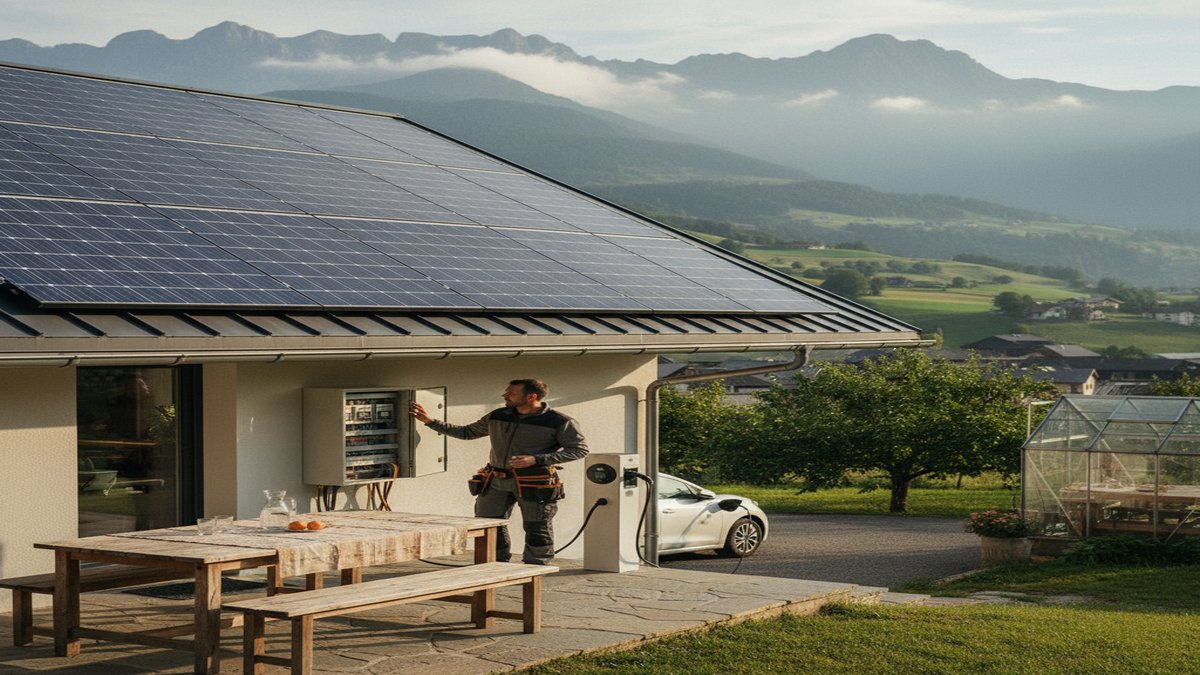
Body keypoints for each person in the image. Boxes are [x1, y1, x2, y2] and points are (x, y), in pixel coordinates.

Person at [409, 379, 588, 564]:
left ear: (531, 396)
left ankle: (535, 570)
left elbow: (579, 450)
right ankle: (494, 564)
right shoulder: (498, 416)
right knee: (488, 525)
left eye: (511, 393)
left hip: (535, 482)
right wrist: (429, 421)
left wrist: (537, 459)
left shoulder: (560, 422)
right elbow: (467, 432)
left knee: (537, 527)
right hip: (495, 480)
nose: (505, 395)